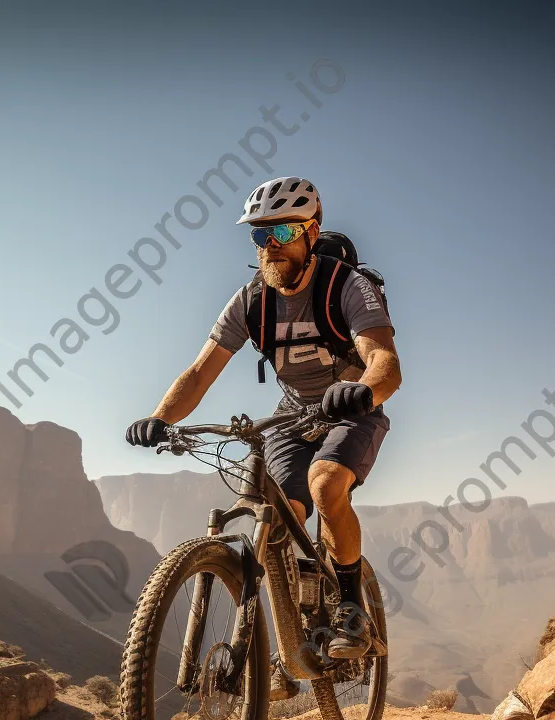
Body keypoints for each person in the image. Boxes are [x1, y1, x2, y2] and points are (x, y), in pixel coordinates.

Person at [125, 176, 402, 658]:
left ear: (312, 234)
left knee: (325, 486)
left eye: (283, 234)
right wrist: (159, 418)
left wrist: (361, 391)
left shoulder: (347, 286)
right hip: (293, 414)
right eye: (259, 236)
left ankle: (353, 607)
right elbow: (198, 372)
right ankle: (289, 639)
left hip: (352, 409)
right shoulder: (252, 300)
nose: (270, 247)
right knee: (279, 517)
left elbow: (385, 361)